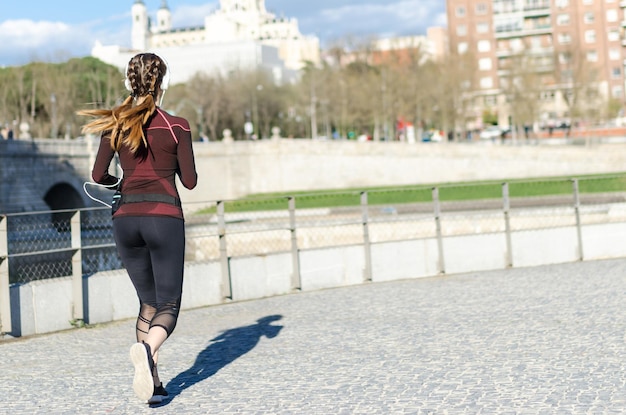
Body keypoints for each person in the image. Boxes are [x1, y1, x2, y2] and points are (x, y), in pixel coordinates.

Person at [78, 52, 198, 404]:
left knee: (147, 304)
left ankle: (154, 387)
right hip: (163, 218)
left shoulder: (114, 123)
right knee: (168, 305)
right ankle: (146, 349)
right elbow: (189, 181)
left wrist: (124, 181)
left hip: (125, 219)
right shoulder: (177, 125)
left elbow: (98, 176)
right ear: (162, 83)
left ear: (129, 82)